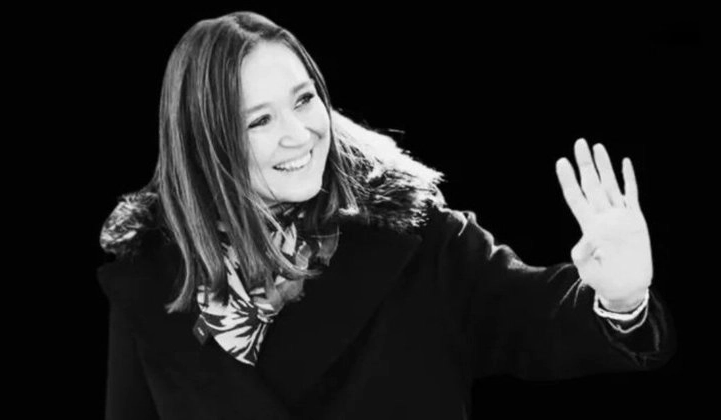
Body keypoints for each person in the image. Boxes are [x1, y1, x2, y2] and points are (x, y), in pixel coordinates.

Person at [96, 11, 676, 420]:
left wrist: (621, 300)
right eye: (259, 121)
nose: (300, 134)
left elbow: (531, 320)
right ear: (205, 144)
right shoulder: (151, 285)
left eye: (304, 100)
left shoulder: (416, 240)